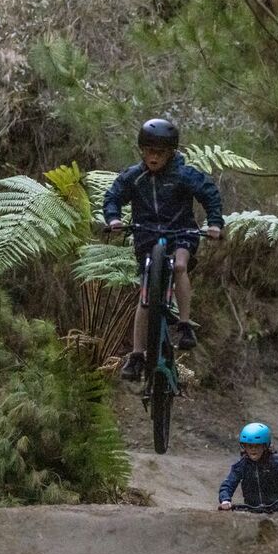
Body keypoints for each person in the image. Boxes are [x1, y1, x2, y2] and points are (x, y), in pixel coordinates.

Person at [103, 118, 223, 380]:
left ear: (171, 153)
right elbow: (113, 196)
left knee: (180, 265)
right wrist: (113, 218)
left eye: (159, 152)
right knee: (145, 295)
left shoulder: (184, 175)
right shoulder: (135, 177)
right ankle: (137, 355)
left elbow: (210, 194)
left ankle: (185, 324)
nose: (153, 157)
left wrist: (214, 223)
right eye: (148, 151)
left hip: (181, 233)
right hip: (147, 238)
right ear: (141, 150)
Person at [218, 422, 278, 510]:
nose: (253, 449)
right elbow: (228, 484)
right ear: (244, 447)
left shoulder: (275, 461)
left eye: (257, 446)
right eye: (249, 446)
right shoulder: (242, 465)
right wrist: (225, 500)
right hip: (252, 510)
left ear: (265, 446)